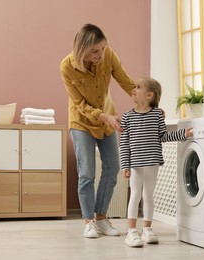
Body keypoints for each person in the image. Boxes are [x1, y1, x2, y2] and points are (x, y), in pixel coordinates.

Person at [59, 23, 135, 238]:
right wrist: (106, 117)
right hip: (82, 123)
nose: (100, 54)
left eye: (102, 48)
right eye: (94, 50)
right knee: (87, 174)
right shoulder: (67, 67)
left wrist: (150, 104)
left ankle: (101, 218)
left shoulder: (108, 55)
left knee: (112, 170)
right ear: (82, 49)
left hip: (106, 120)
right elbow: (79, 104)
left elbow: (127, 82)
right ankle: (88, 221)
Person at [120, 77, 193, 247]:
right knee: (136, 194)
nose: (133, 89)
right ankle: (131, 231)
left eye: (138, 87)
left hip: (152, 161)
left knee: (148, 195)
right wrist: (125, 165)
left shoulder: (156, 116)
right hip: (135, 164)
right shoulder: (127, 117)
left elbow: (164, 137)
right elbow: (124, 143)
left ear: (149, 95)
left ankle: (147, 229)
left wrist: (183, 134)